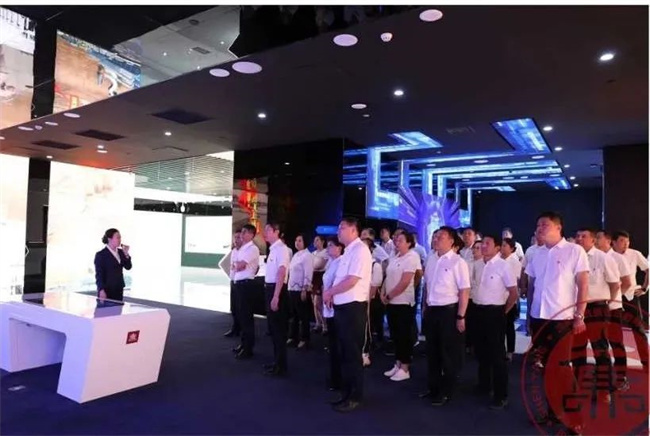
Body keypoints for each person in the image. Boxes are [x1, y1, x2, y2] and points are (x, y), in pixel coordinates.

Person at [525, 211, 588, 429]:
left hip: (561, 319)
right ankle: (553, 413)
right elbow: (532, 286)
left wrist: (580, 315)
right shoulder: (536, 253)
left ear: (558, 227)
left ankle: (575, 421)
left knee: (562, 370)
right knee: (545, 369)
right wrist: (529, 316)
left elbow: (583, 285)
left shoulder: (574, 251)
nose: (540, 228)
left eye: (545, 224)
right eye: (538, 225)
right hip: (538, 318)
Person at [323, 217, 372, 413]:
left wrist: (330, 292)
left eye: (342, 228)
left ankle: (355, 397)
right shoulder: (349, 251)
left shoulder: (360, 250)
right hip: (342, 307)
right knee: (344, 353)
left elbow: (352, 280)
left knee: (352, 354)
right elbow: (341, 279)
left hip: (353, 308)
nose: (338, 231)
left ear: (354, 230)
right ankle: (347, 392)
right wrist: (332, 295)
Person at [420, 226, 470, 407]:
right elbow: (428, 286)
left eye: (441, 237)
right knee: (432, 351)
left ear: (451, 241)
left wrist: (461, 316)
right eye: (435, 236)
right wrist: (424, 306)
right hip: (432, 310)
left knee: (448, 353)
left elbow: (464, 291)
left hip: (449, 311)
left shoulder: (458, 262)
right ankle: (433, 388)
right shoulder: (431, 259)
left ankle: (447, 391)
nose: (436, 239)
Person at [572, 228, 620, 396]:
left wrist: (607, 303)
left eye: (583, 236)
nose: (579, 239)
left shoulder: (603, 258)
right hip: (576, 308)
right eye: (577, 236)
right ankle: (578, 385)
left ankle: (604, 388)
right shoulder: (572, 256)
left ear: (593, 240)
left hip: (597, 308)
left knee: (600, 349)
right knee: (577, 349)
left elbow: (615, 284)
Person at [474, 235, 518, 409]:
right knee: (481, 351)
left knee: (497, 355)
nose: (483, 246)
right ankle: (484, 385)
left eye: (488, 243)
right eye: (482, 243)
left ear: (497, 247)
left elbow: (513, 293)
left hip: (495, 312)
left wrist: (503, 311)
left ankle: (501, 394)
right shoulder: (478, 264)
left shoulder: (503, 266)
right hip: (478, 311)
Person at [595, 230, 633, 389]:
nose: (596, 240)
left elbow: (627, 282)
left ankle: (621, 377)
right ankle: (603, 376)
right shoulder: (595, 257)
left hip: (613, 308)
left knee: (616, 342)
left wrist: (614, 298)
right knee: (600, 343)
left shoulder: (617, 258)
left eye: (598, 237)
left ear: (608, 240)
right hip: (597, 308)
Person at [381, 232, 420, 382]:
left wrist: (389, 295)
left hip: (403, 302)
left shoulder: (412, 257)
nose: (397, 242)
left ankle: (405, 367)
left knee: (404, 336)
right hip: (391, 302)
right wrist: (383, 293)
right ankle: (397, 364)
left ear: (409, 243)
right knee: (395, 335)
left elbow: (405, 282)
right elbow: (388, 277)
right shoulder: (395, 256)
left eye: (401, 240)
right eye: (396, 240)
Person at [612, 230, 649, 370]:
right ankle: (619, 363)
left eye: (627, 241)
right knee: (614, 331)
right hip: (613, 297)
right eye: (622, 241)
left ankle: (646, 361)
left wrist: (645, 287)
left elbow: (648, 269)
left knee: (638, 329)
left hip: (630, 295)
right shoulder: (608, 256)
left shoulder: (634, 254)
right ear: (613, 242)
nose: (625, 244)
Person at [262, 222, 292, 376]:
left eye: (268, 230)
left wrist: (276, 296)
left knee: (279, 330)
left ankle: (281, 366)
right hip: (270, 288)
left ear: (276, 232)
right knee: (273, 330)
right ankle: (277, 362)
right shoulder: (273, 249)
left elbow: (281, 272)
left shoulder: (282, 249)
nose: (265, 233)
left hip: (277, 289)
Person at [232, 224, 260, 360]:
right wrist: (236, 265)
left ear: (251, 234)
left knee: (246, 317)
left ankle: (248, 348)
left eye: (244, 232)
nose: (241, 235)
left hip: (246, 285)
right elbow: (235, 265)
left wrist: (237, 265)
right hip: (239, 284)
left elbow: (240, 265)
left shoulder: (253, 249)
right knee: (241, 316)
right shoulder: (242, 248)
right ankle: (243, 344)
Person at [323, 237, 344, 390]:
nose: (328, 248)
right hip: (328, 304)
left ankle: (338, 379)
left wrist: (330, 295)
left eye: (331, 246)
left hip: (335, 305)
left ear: (339, 248)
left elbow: (337, 283)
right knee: (332, 344)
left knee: (337, 344)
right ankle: (334, 377)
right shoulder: (331, 262)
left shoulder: (341, 262)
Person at [287, 233, 314, 350]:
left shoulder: (307, 256)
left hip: (301, 289)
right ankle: (293, 337)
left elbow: (308, 273)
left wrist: (305, 289)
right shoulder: (296, 255)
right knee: (294, 315)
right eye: (296, 240)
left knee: (303, 316)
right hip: (292, 288)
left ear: (305, 242)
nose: (297, 243)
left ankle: (304, 339)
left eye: (300, 241)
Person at [361, 237, 384, 366]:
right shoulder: (358, 264)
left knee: (367, 327)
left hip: (369, 301)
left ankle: (366, 353)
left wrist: (366, 302)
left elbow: (374, 286)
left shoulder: (375, 265)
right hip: (358, 300)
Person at [94, 228, 132, 301]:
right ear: (109, 239)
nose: (120, 240)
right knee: (107, 308)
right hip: (107, 289)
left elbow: (128, 267)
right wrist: (101, 289)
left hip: (119, 288)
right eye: (117, 237)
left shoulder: (121, 252)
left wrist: (126, 254)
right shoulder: (101, 255)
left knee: (118, 307)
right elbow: (99, 274)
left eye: (120, 238)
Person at [501, 237, 522, 361]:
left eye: (505, 246)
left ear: (512, 249)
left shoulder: (515, 263)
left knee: (509, 326)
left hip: (509, 299)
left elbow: (516, 283)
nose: (502, 248)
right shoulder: (497, 260)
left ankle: (510, 351)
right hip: (498, 299)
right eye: (501, 245)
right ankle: (500, 350)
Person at [466, 240, 484, 354]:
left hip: (479, 298)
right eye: (474, 248)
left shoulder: (485, 264)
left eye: (478, 248)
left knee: (478, 323)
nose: (475, 250)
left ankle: (478, 346)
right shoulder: (466, 263)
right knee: (468, 322)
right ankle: (468, 345)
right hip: (468, 297)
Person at [224, 231, 243, 338]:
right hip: (233, 280)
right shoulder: (234, 251)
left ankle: (242, 329)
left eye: (238, 237)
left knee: (241, 308)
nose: (236, 240)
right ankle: (235, 328)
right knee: (234, 307)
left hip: (241, 282)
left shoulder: (245, 251)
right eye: (234, 237)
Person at [312, 235, 329, 334]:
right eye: (314, 240)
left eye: (317, 240)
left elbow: (320, 265)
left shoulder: (326, 252)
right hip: (313, 277)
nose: (315, 242)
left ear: (322, 241)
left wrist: (311, 267)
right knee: (313, 303)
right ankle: (318, 323)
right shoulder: (313, 253)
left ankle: (325, 325)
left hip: (320, 277)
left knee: (318, 303)